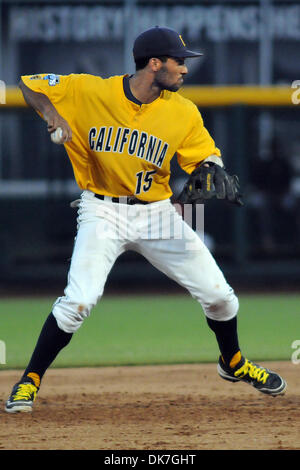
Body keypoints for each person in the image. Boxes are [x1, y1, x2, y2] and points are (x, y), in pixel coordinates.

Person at [5, 27, 286, 413]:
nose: (185, 70)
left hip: (157, 213)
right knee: (79, 300)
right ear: (154, 64)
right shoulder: (90, 90)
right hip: (102, 209)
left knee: (221, 297)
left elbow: (205, 156)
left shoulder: (182, 110)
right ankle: (28, 381)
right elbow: (28, 84)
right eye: (179, 61)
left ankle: (233, 362)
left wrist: (211, 167)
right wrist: (52, 114)